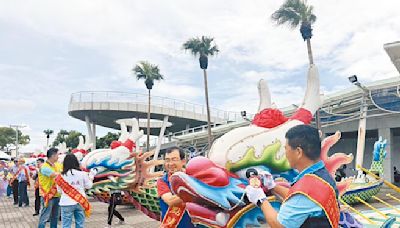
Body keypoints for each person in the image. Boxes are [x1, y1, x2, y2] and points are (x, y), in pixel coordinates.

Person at [245, 125, 340, 228]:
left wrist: (260, 200)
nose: (285, 153)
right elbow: (299, 200)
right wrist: (273, 186)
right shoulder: (321, 175)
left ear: (298, 152)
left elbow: (280, 225)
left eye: (286, 148)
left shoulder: (309, 187)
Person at [156, 147, 195, 228]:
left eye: (174, 159)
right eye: (167, 160)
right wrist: (196, 192)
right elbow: (171, 201)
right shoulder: (162, 181)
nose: (170, 163)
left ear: (183, 161)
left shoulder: (193, 177)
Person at [58, 153, 94, 228]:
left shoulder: (60, 176)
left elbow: (59, 191)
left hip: (66, 202)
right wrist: (91, 178)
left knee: (66, 225)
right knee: (80, 224)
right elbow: (89, 186)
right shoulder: (82, 174)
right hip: (80, 201)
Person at [38, 148, 63, 228]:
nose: (58, 157)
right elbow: (54, 174)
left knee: (55, 217)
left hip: (57, 195)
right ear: (53, 156)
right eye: (57, 155)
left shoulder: (58, 165)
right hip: (47, 196)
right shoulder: (44, 167)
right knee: (45, 217)